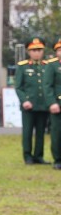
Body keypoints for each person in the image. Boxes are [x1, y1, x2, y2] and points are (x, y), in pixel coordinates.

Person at [14, 37, 50, 165]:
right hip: (28, 105)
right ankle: (27, 155)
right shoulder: (22, 67)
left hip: (43, 105)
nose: (37, 53)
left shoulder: (47, 66)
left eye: (39, 50)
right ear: (29, 52)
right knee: (27, 132)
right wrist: (24, 100)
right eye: (34, 50)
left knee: (41, 132)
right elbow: (18, 87)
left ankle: (38, 156)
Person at [47, 40, 61, 169]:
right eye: (59, 50)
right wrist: (52, 103)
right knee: (57, 133)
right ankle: (58, 159)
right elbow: (47, 86)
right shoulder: (52, 65)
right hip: (58, 104)